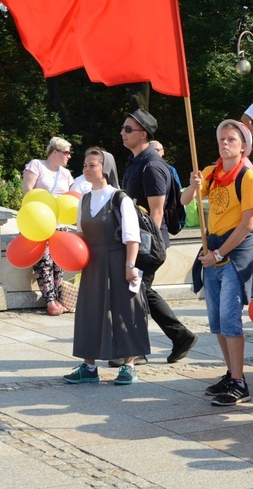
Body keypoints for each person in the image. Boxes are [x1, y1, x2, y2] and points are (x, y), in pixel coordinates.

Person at [181, 120, 253, 405]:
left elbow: (247, 225)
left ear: (243, 147)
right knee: (216, 321)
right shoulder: (210, 173)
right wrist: (192, 187)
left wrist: (218, 254)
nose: (225, 143)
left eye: (231, 139)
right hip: (212, 248)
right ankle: (231, 373)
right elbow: (184, 200)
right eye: (222, 139)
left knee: (229, 319)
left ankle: (240, 383)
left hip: (234, 252)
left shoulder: (247, 177)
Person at [63, 148, 149, 384]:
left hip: (118, 260)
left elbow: (132, 237)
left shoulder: (119, 198)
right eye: (85, 165)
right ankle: (89, 367)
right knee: (89, 312)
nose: (87, 169)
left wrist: (130, 266)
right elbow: (81, 233)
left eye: (92, 165)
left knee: (123, 311)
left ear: (105, 169)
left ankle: (128, 366)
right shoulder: (85, 199)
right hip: (93, 264)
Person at [121, 108, 198, 364]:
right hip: (139, 240)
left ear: (143, 134)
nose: (123, 133)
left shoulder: (152, 166)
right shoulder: (136, 162)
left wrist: (141, 249)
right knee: (141, 291)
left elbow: (156, 213)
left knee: (137, 290)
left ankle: (144, 348)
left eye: (128, 129)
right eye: (123, 128)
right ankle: (178, 337)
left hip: (148, 243)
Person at [22, 136, 75, 316]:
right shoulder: (37, 165)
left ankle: (58, 299)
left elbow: (70, 198)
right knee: (44, 262)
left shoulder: (66, 174)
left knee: (58, 263)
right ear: (55, 152)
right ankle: (50, 301)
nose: (69, 156)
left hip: (60, 223)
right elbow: (27, 191)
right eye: (66, 152)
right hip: (39, 222)